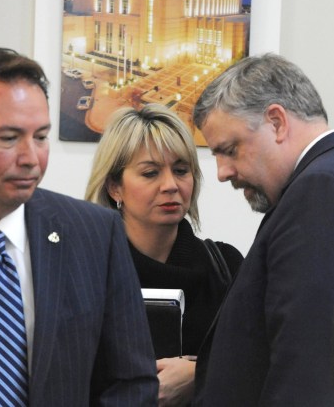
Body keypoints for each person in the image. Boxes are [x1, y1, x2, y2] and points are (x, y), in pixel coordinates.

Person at [0, 47, 157, 406]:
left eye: (40, 137)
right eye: (8, 139)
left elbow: (131, 382)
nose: (31, 159)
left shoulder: (95, 234)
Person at [190, 53, 334, 405]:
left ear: (276, 122)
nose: (223, 172)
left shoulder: (327, 192)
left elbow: (313, 369)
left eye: (229, 150)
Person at [85, 103, 243, 406]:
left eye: (181, 170)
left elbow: (257, 358)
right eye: (150, 173)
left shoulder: (226, 266)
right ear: (115, 187)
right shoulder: (85, 270)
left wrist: (200, 374)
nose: (170, 185)